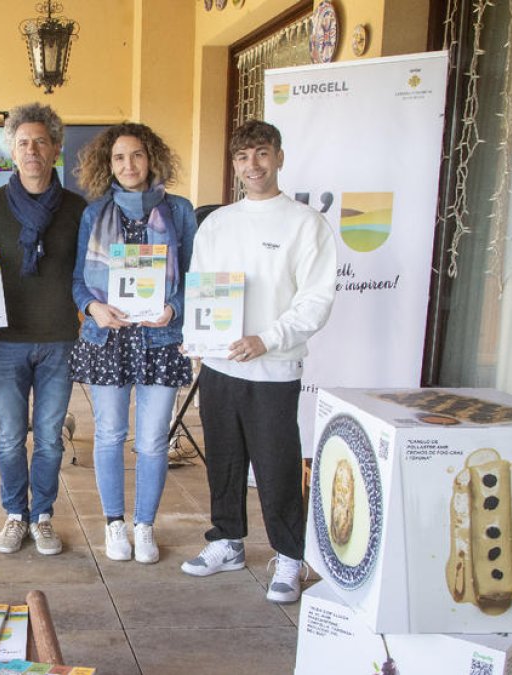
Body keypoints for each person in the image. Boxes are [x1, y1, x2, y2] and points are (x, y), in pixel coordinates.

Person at [180, 120, 336, 604]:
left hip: (273, 369)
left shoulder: (305, 224)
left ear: (280, 158)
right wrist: (196, 341)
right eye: (244, 156)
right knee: (223, 463)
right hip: (222, 368)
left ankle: (290, 556)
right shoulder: (219, 222)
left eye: (262, 154)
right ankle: (227, 541)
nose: (254, 165)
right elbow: (200, 286)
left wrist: (267, 339)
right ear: (234, 165)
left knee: (277, 466)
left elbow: (316, 299)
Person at [70, 123, 197, 564]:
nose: (129, 165)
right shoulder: (95, 214)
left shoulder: (179, 211)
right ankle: (114, 524)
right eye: (120, 157)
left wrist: (175, 308)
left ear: (152, 158)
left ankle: (144, 525)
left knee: (153, 441)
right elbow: (78, 284)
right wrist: (93, 308)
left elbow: (195, 277)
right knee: (109, 434)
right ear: (109, 164)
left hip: (161, 339)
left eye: (137, 155)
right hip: (110, 339)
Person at [0, 103, 86, 556]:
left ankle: (42, 516)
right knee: (12, 437)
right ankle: (14, 514)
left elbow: (90, 272)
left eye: (41, 141)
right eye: (23, 143)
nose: (33, 150)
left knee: (50, 438)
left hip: (59, 339)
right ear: (12, 153)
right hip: (7, 340)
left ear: (56, 148)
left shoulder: (78, 209)